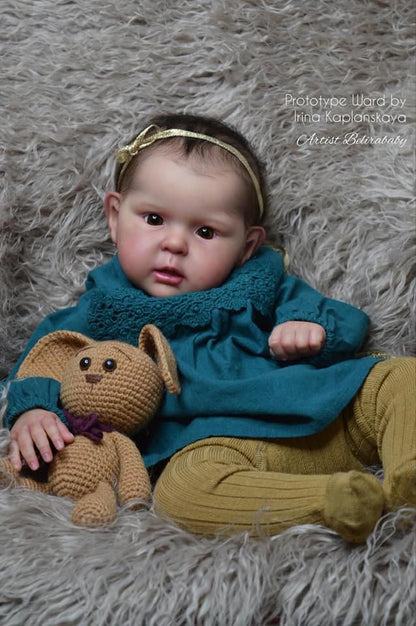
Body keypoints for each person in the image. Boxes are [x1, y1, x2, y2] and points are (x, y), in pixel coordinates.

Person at [2, 114, 415, 542]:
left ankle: (409, 474)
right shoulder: (106, 308)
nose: (175, 244)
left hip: (326, 415)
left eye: (205, 231)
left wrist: (310, 328)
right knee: (181, 494)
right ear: (115, 215)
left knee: (399, 376)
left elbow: (344, 323)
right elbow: (49, 354)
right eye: (154, 219)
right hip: (212, 447)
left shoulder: (258, 284)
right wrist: (34, 411)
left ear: (246, 246)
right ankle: (336, 502)